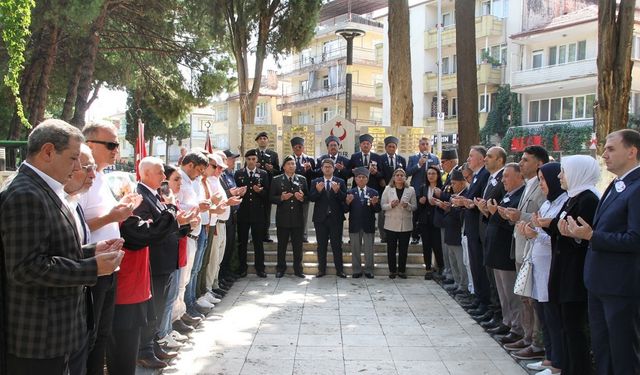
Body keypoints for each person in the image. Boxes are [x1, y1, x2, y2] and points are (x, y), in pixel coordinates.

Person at [1, 119, 124, 375]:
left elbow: (53, 251)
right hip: (40, 341)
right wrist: (92, 268)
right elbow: (27, 268)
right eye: (73, 159)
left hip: (60, 333)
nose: (78, 167)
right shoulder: (26, 194)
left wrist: (92, 251)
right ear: (47, 152)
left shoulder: (45, 190)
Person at [107, 156, 193, 375]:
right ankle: (145, 351)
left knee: (157, 307)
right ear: (144, 173)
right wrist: (172, 212)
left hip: (161, 259)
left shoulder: (153, 194)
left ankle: (151, 345)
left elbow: (162, 226)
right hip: (150, 261)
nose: (164, 177)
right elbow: (147, 231)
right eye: (159, 173)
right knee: (151, 309)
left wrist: (181, 225)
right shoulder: (139, 197)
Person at [566, 129, 640, 375]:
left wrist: (592, 236)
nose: (604, 154)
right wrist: (580, 235)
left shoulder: (637, 187)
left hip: (621, 286)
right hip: (600, 283)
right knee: (603, 348)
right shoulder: (617, 184)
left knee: (623, 353)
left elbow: (635, 239)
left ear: (632, 151)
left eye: (611, 149)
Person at [79, 122, 134, 375]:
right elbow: (77, 225)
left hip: (109, 265)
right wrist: (113, 217)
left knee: (102, 333)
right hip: (91, 267)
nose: (116, 150)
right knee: (90, 337)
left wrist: (120, 211)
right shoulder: (82, 180)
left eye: (117, 144)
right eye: (111, 144)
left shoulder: (99, 177)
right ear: (90, 145)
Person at [516, 162, 570, 375]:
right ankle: (549, 356)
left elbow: (558, 235)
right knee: (544, 314)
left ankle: (557, 361)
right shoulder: (549, 203)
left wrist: (536, 233)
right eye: (539, 181)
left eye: (544, 180)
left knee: (553, 317)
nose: (542, 185)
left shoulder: (564, 202)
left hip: (551, 267)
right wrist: (530, 228)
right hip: (539, 265)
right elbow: (540, 226)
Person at [502, 145, 548, 360]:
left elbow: (542, 217)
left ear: (539, 163)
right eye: (521, 160)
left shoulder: (543, 186)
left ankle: (537, 342)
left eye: (526, 160)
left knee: (532, 298)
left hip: (533, 249)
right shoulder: (530, 184)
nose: (521, 163)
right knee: (524, 297)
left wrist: (521, 215)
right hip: (521, 247)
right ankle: (528, 336)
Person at [63, 143, 99, 375]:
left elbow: (72, 251)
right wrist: (93, 263)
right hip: (54, 323)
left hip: (80, 305)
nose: (92, 174)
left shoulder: (74, 202)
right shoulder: (44, 199)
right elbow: (31, 266)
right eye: (85, 167)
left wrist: (94, 251)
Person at [485, 163, 525, 345]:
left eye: (507, 176)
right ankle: (507, 322)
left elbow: (510, 223)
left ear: (519, 177)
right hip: (496, 250)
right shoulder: (508, 196)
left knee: (511, 293)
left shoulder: (520, 195)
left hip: (506, 251)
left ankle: (517, 327)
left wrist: (496, 214)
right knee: (503, 292)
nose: (503, 180)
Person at [452, 146, 491, 321]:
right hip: (471, 227)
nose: (468, 159)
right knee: (474, 265)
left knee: (479, 267)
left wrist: (468, 203)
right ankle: (479, 299)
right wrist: (465, 202)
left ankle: (485, 303)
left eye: (471, 156)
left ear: (482, 159)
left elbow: (481, 201)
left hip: (478, 228)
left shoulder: (484, 176)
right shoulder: (476, 176)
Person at [474, 147, 506, 332]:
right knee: (491, 278)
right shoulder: (491, 178)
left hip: (497, 234)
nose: (485, 159)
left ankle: (499, 315)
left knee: (499, 281)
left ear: (500, 160)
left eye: (489, 156)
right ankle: (494, 312)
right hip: (486, 230)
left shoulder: (501, 180)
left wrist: (487, 210)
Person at [270, 155, 309, 278]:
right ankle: (281, 268)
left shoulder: (302, 179)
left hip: (298, 218)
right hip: (283, 218)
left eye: (293, 164)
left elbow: (308, 197)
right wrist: (281, 198)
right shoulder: (276, 180)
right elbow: (271, 197)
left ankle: (298, 269)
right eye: (289, 164)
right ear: (283, 167)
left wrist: (302, 198)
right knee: (282, 245)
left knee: (298, 246)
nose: (291, 166)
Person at [309, 158, 347, 278]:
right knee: (321, 245)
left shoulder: (340, 181)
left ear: (333, 168)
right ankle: (321, 269)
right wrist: (318, 191)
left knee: (337, 245)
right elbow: (311, 198)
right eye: (325, 167)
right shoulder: (316, 181)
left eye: (329, 167)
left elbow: (344, 199)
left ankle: (340, 270)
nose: (327, 169)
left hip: (336, 218)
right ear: (321, 169)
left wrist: (337, 191)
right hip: (320, 219)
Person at [235, 149, 269, 277]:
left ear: (257, 160)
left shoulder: (263, 174)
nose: (251, 162)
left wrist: (260, 191)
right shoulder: (239, 174)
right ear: (245, 160)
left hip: (257, 214)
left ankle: (260, 267)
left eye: (253, 159)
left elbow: (267, 195)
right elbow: (235, 191)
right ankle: (242, 267)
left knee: (258, 242)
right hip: (243, 213)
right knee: (242, 242)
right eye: (248, 159)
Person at [345, 167, 381, 278]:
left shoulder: (373, 192)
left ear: (367, 179)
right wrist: (347, 202)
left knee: (369, 249)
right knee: (355, 248)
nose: (361, 179)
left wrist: (375, 204)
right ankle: (356, 270)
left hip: (368, 224)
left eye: (363, 177)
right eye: (359, 177)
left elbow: (378, 210)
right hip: (355, 224)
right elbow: (345, 210)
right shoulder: (350, 192)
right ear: (355, 179)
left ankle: (369, 270)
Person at [381, 168, 417, 279]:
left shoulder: (411, 189)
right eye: (397, 175)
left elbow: (415, 207)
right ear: (393, 177)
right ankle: (392, 271)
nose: (399, 177)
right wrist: (391, 205)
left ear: (405, 178)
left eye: (402, 175)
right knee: (391, 249)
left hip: (405, 225)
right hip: (391, 224)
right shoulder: (388, 189)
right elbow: (382, 205)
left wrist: (408, 206)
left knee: (403, 249)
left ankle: (402, 270)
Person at [350, 134, 385, 242]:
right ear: (360, 145)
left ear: (371, 145)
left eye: (368, 144)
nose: (365, 145)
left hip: (372, 189)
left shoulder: (377, 157)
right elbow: (348, 172)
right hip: (357, 189)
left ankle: (370, 233)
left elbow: (382, 174)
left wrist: (376, 172)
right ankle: (355, 235)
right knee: (356, 210)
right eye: (363, 143)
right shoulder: (354, 157)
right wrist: (353, 171)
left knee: (371, 212)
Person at [439, 168, 468, 295]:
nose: (452, 186)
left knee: (461, 262)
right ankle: (457, 282)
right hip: (450, 232)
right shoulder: (453, 196)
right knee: (453, 260)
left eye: (454, 183)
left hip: (458, 233)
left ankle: (463, 285)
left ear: (462, 183)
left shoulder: (465, 195)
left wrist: (449, 209)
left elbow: (462, 214)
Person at [407, 137, 441, 244]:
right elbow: (407, 172)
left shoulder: (435, 158)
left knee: (430, 213)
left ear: (430, 145)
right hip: (417, 190)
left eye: (427, 144)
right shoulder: (413, 158)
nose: (425, 146)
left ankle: (430, 234)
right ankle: (415, 236)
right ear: (419, 146)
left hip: (431, 190)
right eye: (422, 144)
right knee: (416, 214)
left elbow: (439, 173)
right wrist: (419, 164)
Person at [433, 148, 459, 284]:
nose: (441, 165)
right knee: (447, 251)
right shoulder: (449, 175)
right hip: (445, 217)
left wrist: (440, 195)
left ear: (451, 161)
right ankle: (449, 274)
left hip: (453, 217)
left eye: (443, 162)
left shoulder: (456, 173)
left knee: (452, 252)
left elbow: (455, 195)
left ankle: (453, 277)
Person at [219, 149, 243, 282]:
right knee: (223, 249)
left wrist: (238, 192)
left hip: (232, 215)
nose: (234, 161)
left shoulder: (229, 175)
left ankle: (226, 273)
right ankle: (221, 275)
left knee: (229, 247)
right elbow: (221, 195)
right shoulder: (220, 176)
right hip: (223, 216)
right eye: (231, 159)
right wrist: (231, 193)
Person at [416, 165, 444, 280]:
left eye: (433, 174)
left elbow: (446, 202)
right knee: (426, 246)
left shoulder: (442, 188)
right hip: (424, 221)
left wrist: (439, 198)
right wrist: (421, 202)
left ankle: (441, 268)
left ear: (438, 175)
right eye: (429, 174)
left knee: (437, 246)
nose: (431, 176)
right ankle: (428, 269)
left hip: (437, 220)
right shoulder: (423, 188)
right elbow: (418, 207)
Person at [379, 136, 407, 242]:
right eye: (389, 146)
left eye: (393, 147)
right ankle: (383, 236)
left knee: (396, 211)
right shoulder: (380, 159)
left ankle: (396, 233)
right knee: (383, 213)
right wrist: (381, 179)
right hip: (383, 189)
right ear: (386, 148)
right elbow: (379, 172)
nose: (391, 148)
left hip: (398, 189)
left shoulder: (401, 159)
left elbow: (404, 174)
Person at [253, 131, 280, 242]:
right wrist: (254, 165)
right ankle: (256, 236)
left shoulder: (273, 154)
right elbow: (247, 167)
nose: (263, 140)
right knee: (255, 212)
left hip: (268, 187)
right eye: (260, 138)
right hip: (255, 187)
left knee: (266, 212)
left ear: (268, 141)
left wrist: (271, 169)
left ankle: (266, 235)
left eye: (265, 138)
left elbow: (278, 171)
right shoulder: (253, 153)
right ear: (257, 141)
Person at [291, 137, 316, 243]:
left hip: (305, 191)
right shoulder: (288, 158)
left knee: (304, 215)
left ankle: (304, 235)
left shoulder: (309, 159)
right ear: (292, 148)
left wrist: (309, 170)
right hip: (291, 191)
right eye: (295, 147)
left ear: (303, 148)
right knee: (291, 214)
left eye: (300, 146)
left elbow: (314, 175)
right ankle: (290, 236)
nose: (298, 148)